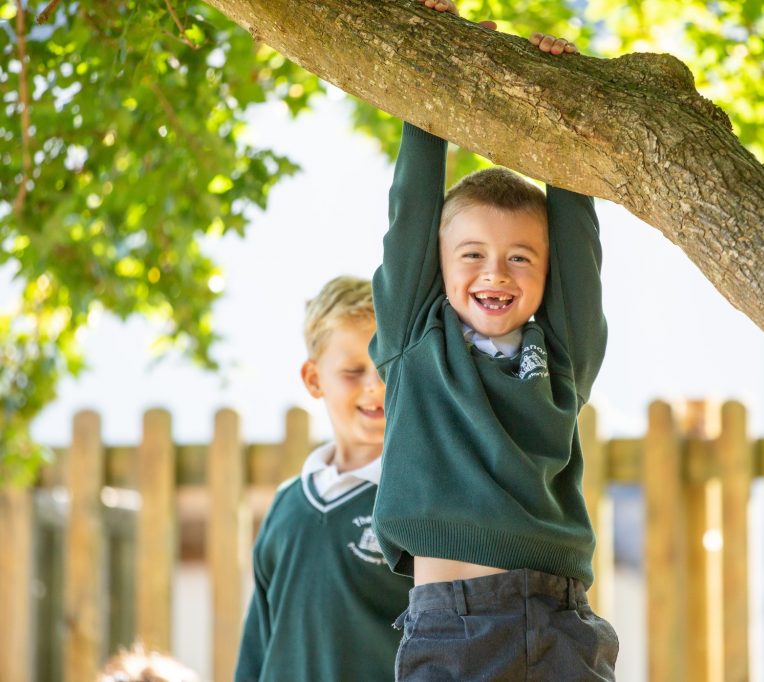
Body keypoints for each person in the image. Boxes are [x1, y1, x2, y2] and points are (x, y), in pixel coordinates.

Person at [370, 2, 618, 678]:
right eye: (472, 254)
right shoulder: (415, 343)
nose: (495, 273)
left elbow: (577, 246)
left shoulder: (561, 359)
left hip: (564, 624)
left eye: (519, 258)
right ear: (442, 265)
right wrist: (436, 62)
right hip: (456, 630)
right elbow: (412, 213)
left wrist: (562, 100)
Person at [235, 276, 412, 682]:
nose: (374, 386)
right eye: (353, 371)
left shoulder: (421, 501)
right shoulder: (285, 507)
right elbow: (256, 650)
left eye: (386, 367)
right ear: (314, 379)